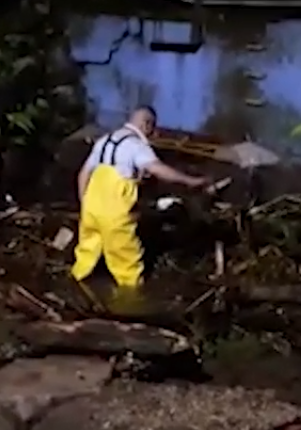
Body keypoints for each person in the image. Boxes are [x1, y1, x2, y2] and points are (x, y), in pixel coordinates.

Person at [71, 106, 208, 308]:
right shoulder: (136, 146)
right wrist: (189, 181)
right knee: (127, 268)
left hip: (90, 212)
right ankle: (128, 310)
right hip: (115, 217)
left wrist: (86, 205)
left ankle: (72, 298)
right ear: (146, 124)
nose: (153, 134)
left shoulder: (103, 141)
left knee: (85, 258)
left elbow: (83, 175)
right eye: (152, 129)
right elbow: (159, 169)